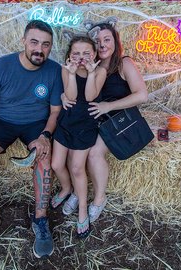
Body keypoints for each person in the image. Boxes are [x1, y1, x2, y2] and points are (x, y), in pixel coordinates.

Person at [0, 19, 63, 261]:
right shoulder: (1, 67)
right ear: (23, 41)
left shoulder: (54, 71)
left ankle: (40, 219)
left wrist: (45, 136)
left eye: (46, 44)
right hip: (3, 121)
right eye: (34, 42)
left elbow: (56, 111)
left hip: (36, 123)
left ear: (50, 47)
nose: (39, 49)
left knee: (44, 157)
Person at [61, 19, 148, 223]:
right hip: (92, 118)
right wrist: (63, 97)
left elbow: (142, 95)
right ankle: (76, 192)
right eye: (98, 41)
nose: (102, 45)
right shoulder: (88, 65)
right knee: (72, 149)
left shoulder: (124, 63)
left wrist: (108, 106)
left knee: (93, 153)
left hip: (115, 120)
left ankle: (99, 199)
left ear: (115, 41)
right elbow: (73, 87)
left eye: (107, 39)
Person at [50, 34, 107, 238]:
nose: (81, 57)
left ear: (94, 54)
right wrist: (72, 75)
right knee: (57, 164)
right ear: (69, 55)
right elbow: (72, 97)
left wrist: (90, 74)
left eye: (86, 53)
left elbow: (90, 96)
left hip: (85, 125)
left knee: (76, 167)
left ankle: (82, 208)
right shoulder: (66, 70)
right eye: (76, 53)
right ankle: (67, 190)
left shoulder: (100, 71)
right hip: (66, 122)